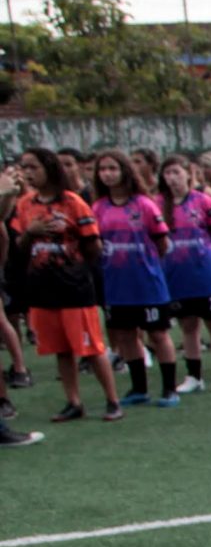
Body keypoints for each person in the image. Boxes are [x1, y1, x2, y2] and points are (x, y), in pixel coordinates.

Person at [9, 146, 121, 423]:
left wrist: (75, 265)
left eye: (33, 167)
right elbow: (19, 247)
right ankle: (73, 401)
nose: (28, 173)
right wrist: (30, 235)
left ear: (49, 168)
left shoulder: (73, 203)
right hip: (42, 287)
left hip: (74, 286)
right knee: (60, 349)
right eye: (25, 167)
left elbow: (93, 244)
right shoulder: (24, 205)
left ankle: (112, 400)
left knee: (92, 347)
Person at [90, 149, 182, 409]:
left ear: (125, 171)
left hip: (147, 282)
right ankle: (139, 388)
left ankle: (169, 388)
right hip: (116, 284)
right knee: (127, 336)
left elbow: (162, 242)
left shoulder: (143, 204)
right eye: (103, 169)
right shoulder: (98, 208)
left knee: (158, 334)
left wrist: (147, 263)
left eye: (113, 168)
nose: (107, 174)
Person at [156, 155, 211, 393]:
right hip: (176, 274)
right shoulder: (158, 204)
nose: (172, 178)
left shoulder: (203, 201)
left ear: (189, 173)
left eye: (176, 172)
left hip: (205, 273)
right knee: (187, 325)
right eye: (167, 173)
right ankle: (194, 375)